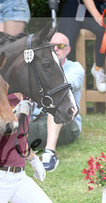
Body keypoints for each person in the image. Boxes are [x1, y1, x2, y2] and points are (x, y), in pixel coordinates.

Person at [27, 32, 85, 172]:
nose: (56, 49)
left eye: (60, 46)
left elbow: (61, 87)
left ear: (68, 50)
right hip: (35, 121)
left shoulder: (75, 68)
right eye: (52, 46)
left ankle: (50, 152)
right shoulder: (38, 69)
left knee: (56, 103)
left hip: (66, 124)